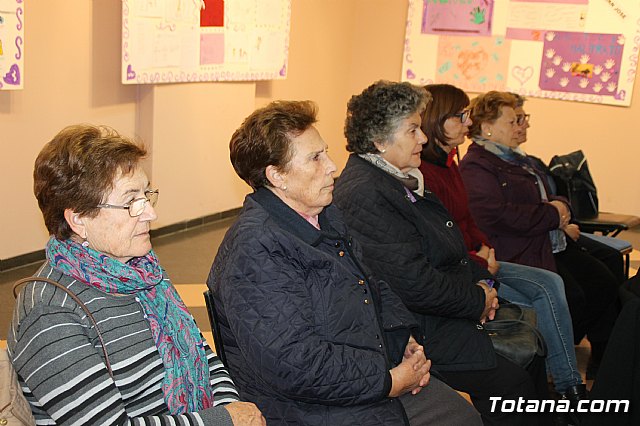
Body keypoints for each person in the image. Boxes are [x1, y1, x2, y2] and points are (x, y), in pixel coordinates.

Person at [207, 100, 481, 425]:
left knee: (462, 413)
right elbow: (296, 364)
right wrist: (388, 381)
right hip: (307, 407)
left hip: (360, 372)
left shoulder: (324, 215)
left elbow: (372, 285)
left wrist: (403, 340)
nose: (332, 166)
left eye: (326, 152)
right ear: (277, 176)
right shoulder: (256, 249)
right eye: (315, 158)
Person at [8, 125, 264, 425]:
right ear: (78, 219)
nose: (151, 213)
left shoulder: (142, 272)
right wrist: (223, 419)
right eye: (131, 202)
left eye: (146, 195)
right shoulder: (49, 313)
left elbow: (202, 354)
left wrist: (231, 407)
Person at [333, 80, 549, 426]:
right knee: (515, 384)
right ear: (379, 140)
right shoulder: (366, 193)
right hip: (416, 330)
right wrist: (477, 300)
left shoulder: (400, 179)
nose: (423, 138)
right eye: (413, 130)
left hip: (441, 312)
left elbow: (450, 248)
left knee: (533, 352)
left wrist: (483, 283)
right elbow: (413, 284)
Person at [418, 84, 585, 401]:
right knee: (542, 297)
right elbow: (457, 231)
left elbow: (469, 219)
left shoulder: (451, 163)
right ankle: (566, 388)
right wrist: (481, 260)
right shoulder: (442, 170)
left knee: (552, 282)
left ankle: (568, 385)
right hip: (470, 264)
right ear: (437, 120)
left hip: (484, 256)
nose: (468, 123)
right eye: (460, 116)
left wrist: (485, 250)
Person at [458, 91, 619, 380]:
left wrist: (560, 209)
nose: (522, 125)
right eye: (513, 121)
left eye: (522, 119)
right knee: (574, 294)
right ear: (487, 127)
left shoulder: (519, 158)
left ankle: (602, 358)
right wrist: (554, 216)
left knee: (604, 278)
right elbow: (496, 215)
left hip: (545, 238)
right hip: (518, 248)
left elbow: (553, 192)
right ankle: (555, 366)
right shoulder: (476, 165)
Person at [510, 93, 626, 287]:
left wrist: (562, 216)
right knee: (597, 280)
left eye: (524, 118)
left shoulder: (530, 162)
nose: (526, 125)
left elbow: (554, 197)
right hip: (540, 239)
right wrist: (560, 227)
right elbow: (522, 215)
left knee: (610, 260)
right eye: (517, 120)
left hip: (554, 230)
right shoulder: (496, 168)